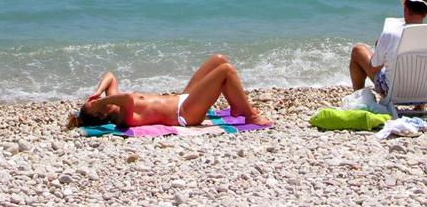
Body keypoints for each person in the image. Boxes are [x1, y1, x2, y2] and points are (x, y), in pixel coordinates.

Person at [65, 54, 272, 130]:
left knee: (219, 60)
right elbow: (127, 99)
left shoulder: (111, 101)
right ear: (102, 113)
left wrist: (98, 92)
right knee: (226, 71)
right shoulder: (123, 118)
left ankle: (236, 107)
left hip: (183, 98)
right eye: (95, 103)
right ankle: (250, 115)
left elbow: (110, 75)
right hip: (185, 114)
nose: (99, 99)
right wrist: (103, 101)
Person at [349, 0, 427, 95]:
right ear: (425, 14)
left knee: (358, 50)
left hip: (394, 93)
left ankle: (358, 97)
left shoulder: (390, 33)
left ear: (405, 9)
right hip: (424, 93)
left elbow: (374, 68)